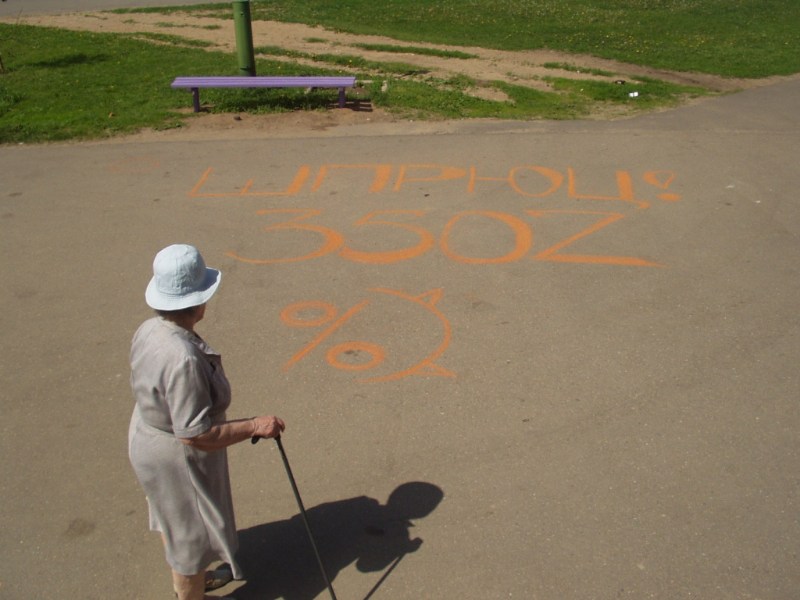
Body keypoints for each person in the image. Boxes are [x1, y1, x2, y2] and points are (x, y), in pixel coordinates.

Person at [128, 244, 285, 600]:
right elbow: (195, 433)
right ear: (198, 303)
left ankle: (191, 583)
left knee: (177, 524)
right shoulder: (183, 358)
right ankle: (189, 591)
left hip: (148, 437)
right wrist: (254, 426)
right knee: (190, 541)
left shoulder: (149, 329)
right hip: (176, 460)